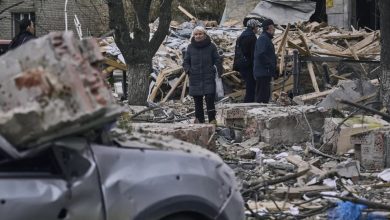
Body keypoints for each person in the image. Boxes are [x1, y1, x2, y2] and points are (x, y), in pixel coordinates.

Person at [183, 26, 223, 124]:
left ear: (205, 34)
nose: (198, 36)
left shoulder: (211, 46)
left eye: (200, 34)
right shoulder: (190, 47)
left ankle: (212, 122)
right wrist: (189, 70)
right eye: (196, 34)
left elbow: (217, 60)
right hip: (195, 78)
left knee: (210, 101)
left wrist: (214, 69)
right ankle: (200, 123)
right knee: (197, 103)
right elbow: (185, 62)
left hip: (208, 78)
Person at [253, 19, 278, 103]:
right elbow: (261, 54)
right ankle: (259, 113)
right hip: (263, 72)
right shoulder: (263, 39)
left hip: (264, 72)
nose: (274, 30)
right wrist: (270, 64)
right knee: (262, 97)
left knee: (265, 96)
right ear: (269, 28)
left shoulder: (266, 38)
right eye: (273, 28)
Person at [236, 19, 260, 103]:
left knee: (249, 84)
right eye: (257, 26)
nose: (258, 28)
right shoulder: (252, 37)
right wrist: (255, 66)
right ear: (253, 27)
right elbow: (254, 54)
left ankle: (248, 101)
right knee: (251, 85)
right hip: (248, 65)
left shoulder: (242, 35)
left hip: (241, 64)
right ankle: (248, 103)